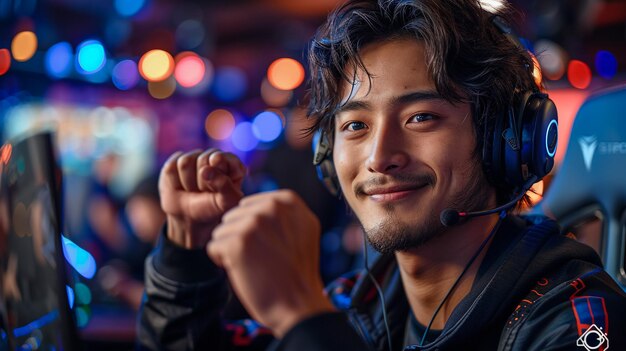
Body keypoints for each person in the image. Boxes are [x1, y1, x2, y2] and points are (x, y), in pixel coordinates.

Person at [138, 0, 626, 350]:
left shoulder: (573, 321)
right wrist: (185, 252)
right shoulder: (360, 304)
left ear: (507, 138)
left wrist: (303, 318)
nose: (378, 156)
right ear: (328, 156)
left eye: (420, 118)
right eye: (354, 126)